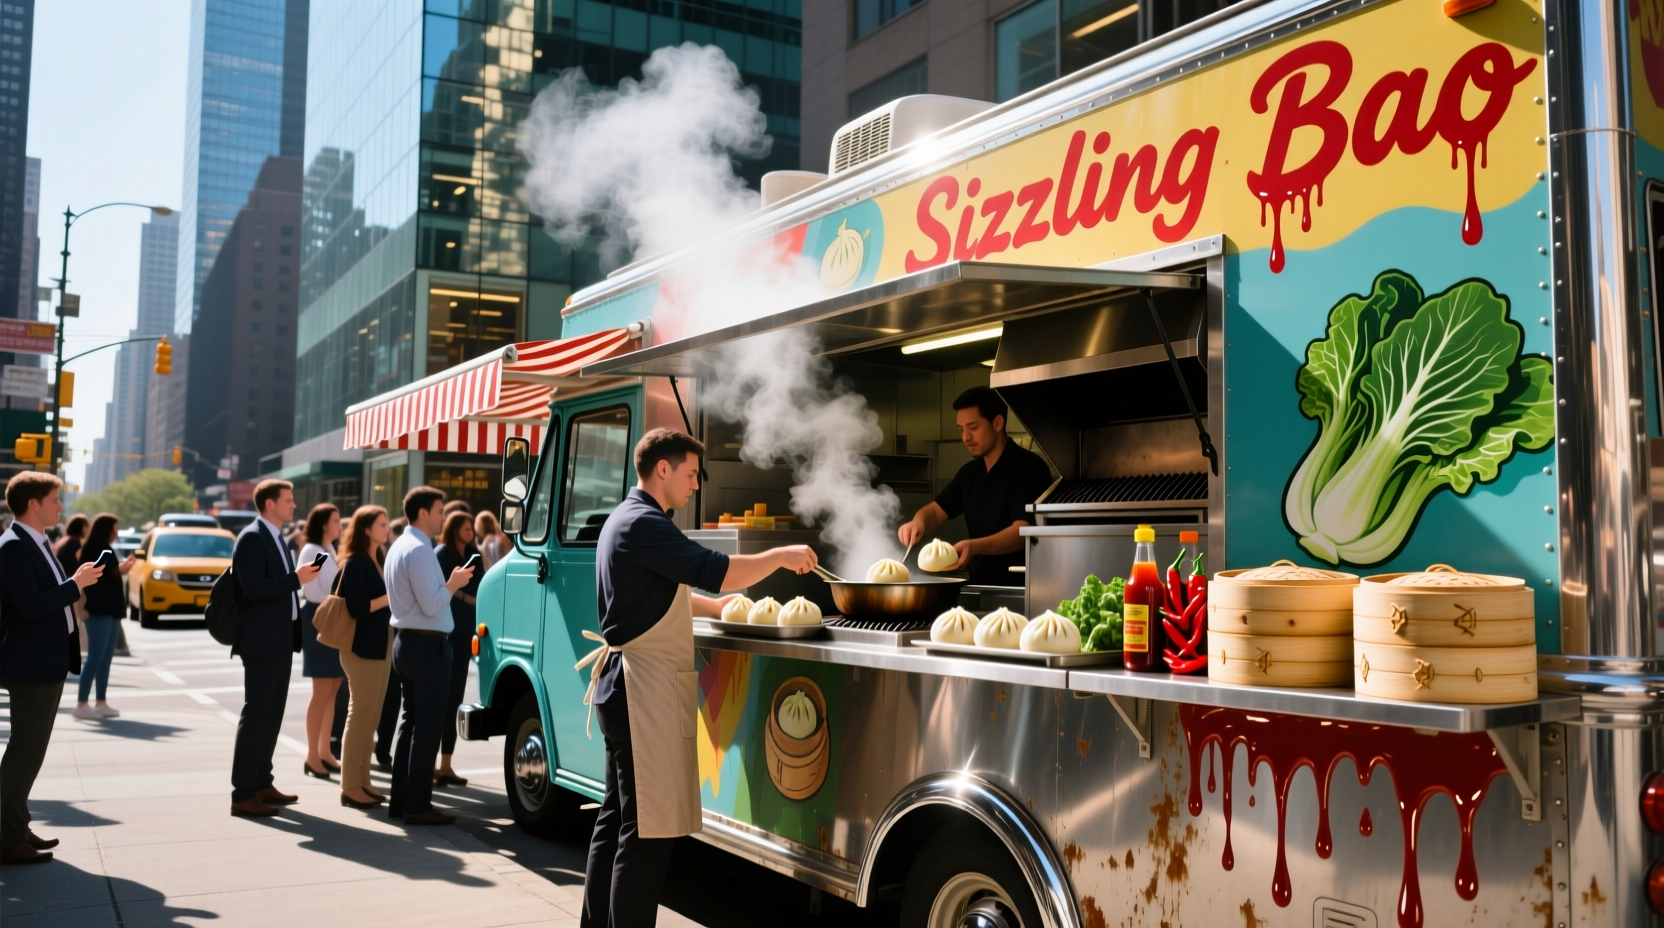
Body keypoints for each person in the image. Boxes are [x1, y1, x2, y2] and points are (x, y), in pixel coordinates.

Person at [579, 428, 817, 928]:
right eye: (690, 474)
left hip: (624, 689)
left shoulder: (625, 517)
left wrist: (720, 607)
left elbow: (662, 593)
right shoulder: (644, 522)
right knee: (646, 835)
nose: (694, 485)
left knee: (616, 821)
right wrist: (779, 556)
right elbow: (714, 569)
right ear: (662, 469)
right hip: (641, 693)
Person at [0, 473, 105, 864]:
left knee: (29, 752)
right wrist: (76, 583)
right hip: (30, 664)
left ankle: (14, 825)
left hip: (45, 662)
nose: (61, 506)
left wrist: (77, 581)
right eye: (54, 499)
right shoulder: (14, 546)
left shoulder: (37, 542)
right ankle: (7, 838)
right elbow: (31, 605)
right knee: (24, 752)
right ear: (33, 504)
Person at [228, 479, 321, 817]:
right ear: (270, 504)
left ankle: (261, 782)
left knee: (271, 715)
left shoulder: (275, 536)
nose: (294, 505)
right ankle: (243, 794)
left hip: (278, 640)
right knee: (257, 715)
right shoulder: (252, 537)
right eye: (288, 500)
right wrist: (297, 579)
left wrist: (296, 578)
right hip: (262, 642)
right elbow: (253, 588)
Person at [897, 386, 1054, 586]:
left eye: (973, 427)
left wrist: (975, 547)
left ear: (998, 423)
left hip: (1023, 588)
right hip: (979, 585)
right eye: (961, 429)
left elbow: (1022, 531)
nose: (966, 437)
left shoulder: (1029, 468)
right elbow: (936, 511)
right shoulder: (969, 474)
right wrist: (918, 523)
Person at [383, 486, 474, 825]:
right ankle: (417, 805)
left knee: (411, 724)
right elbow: (432, 603)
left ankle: (403, 801)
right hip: (425, 646)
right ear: (423, 513)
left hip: (409, 642)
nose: (443, 516)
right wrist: (454, 583)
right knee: (426, 727)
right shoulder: (420, 549)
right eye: (439, 510)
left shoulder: (400, 546)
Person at [336, 505, 394, 809]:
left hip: (380, 645)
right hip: (361, 649)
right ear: (366, 529)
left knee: (372, 717)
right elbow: (358, 607)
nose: (387, 528)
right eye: (381, 524)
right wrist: (390, 597)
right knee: (360, 717)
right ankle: (349, 786)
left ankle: (363, 780)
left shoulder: (379, 558)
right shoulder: (356, 562)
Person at [73, 514, 135, 721]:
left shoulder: (103, 548)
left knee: (105, 658)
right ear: (105, 529)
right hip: (98, 608)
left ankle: (100, 702)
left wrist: (120, 569)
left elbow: (108, 573)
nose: (116, 533)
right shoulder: (95, 548)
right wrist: (120, 569)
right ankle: (81, 704)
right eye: (114, 529)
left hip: (111, 608)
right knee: (95, 657)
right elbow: (98, 575)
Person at [297, 503, 343, 779]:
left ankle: (324, 751)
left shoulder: (327, 549)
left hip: (328, 618)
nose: (340, 525)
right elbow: (317, 590)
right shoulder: (312, 550)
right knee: (321, 690)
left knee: (333, 687)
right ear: (324, 524)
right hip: (318, 619)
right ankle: (312, 755)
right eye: (336, 520)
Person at [434, 511, 480, 787]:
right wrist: (462, 593)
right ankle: (430, 765)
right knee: (438, 702)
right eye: (465, 528)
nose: (470, 532)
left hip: (466, 636)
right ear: (454, 530)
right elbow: (440, 590)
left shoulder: (475, 554)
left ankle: (446, 765)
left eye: (471, 528)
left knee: (454, 701)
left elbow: (483, 585)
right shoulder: (442, 554)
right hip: (446, 634)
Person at [52, 513, 88, 578]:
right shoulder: (78, 541)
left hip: (60, 575)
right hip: (70, 576)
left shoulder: (63, 539)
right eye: (86, 524)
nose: (88, 527)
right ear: (80, 526)